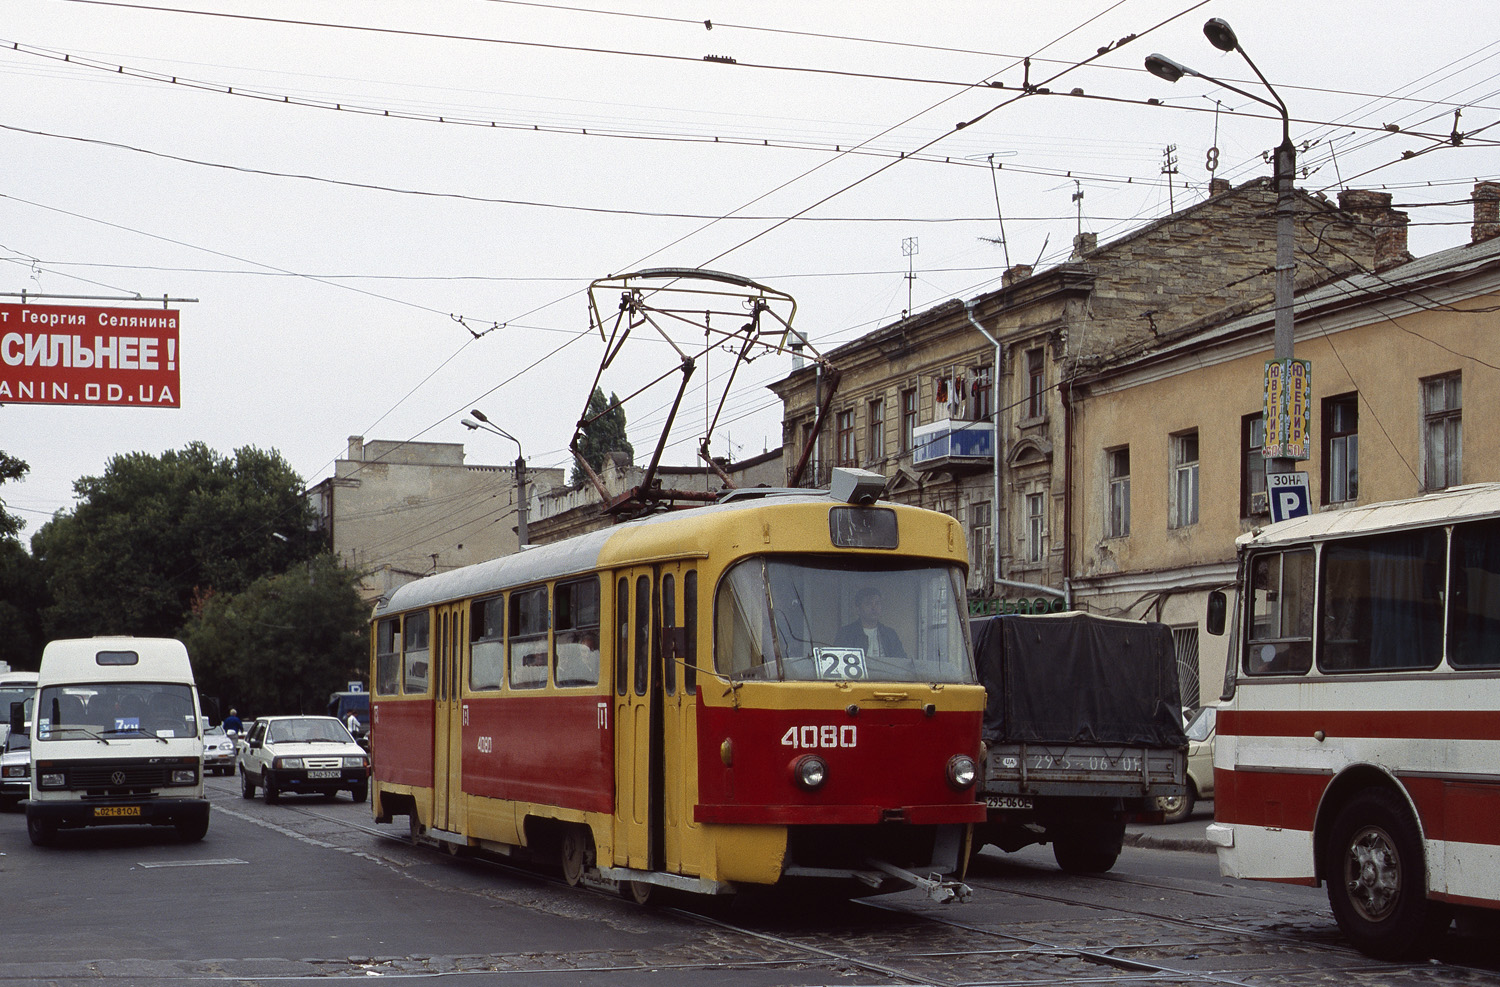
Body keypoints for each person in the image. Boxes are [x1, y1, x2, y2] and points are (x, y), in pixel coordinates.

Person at [835, 587, 908, 659]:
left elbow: (901, 660)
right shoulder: (846, 633)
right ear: (858, 609)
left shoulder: (890, 634)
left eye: (877, 603)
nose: (874, 608)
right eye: (868, 604)